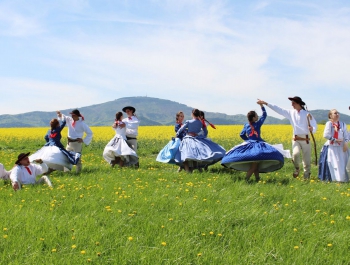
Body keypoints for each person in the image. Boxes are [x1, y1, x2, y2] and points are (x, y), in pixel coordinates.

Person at [221, 103, 289, 181]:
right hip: (258, 146)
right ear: (253, 118)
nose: (258, 116)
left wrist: (248, 140)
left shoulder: (246, 125)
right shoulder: (258, 124)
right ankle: (246, 180)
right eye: (256, 115)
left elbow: (241, 134)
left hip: (249, 145)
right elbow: (264, 115)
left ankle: (257, 179)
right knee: (254, 165)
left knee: (256, 164)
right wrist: (262, 106)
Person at [257, 97, 317, 179]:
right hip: (296, 139)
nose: (292, 105)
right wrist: (266, 103)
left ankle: (306, 176)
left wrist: (312, 129)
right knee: (295, 154)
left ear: (298, 103)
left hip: (306, 139)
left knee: (306, 160)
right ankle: (297, 168)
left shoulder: (307, 113)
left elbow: (314, 124)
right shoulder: (291, 113)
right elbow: (279, 109)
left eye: (293, 103)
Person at [174, 109, 226, 173]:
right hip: (198, 139)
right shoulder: (201, 122)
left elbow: (181, 129)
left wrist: (177, 134)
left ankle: (188, 171)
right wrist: (201, 136)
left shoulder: (189, 121)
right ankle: (194, 169)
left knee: (186, 154)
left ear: (192, 114)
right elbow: (206, 132)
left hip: (188, 139)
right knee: (197, 155)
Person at [319, 109, 349, 182]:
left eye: (338, 113)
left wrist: (346, 143)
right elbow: (325, 135)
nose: (337, 114)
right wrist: (335, 140)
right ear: (330, 115)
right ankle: (336, 179)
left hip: (342, 147)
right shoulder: (329, 124)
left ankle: (344, 178)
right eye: (335, 113)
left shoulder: (342, 124)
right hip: (333, 147)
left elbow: (347, 135)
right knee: (335, 163)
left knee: (343, 163)